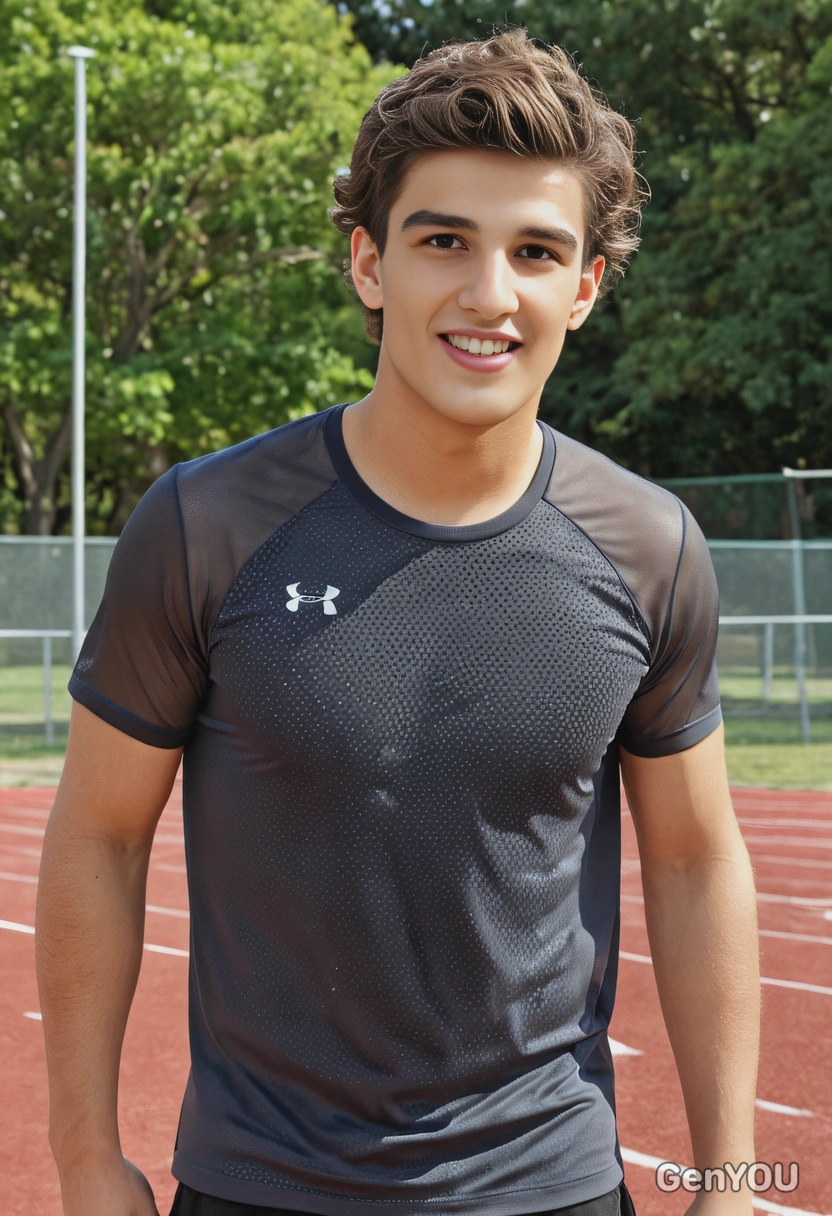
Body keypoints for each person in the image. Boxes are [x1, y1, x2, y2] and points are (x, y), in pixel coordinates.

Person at [36, 29, 760, 1216]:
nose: (489, 294)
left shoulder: (648, 544)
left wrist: (730, 1177)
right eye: (442, 242)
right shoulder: (205, 524)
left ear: (581, 288)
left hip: (553, 1187)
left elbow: (692, 857)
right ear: (370, 264)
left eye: (535, 251)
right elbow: (100, 837)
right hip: (260, 1186)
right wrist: (82, 1155)